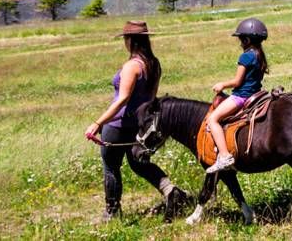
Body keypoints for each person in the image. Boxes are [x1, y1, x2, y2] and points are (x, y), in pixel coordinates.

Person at [84, 21, 187, 221]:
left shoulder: (132, 66)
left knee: (111, 166)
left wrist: (98, 123)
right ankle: (171, 191)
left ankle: (112, 211)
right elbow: (152, 97)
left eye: (125, 38)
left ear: (130, 40)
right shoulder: (154, 64)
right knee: (139, 164)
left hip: (118, 124)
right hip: (140, 124)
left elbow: (122, 99)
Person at [205, 18, 270, 174]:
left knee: (213, 119)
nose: (240, 43)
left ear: (247, 40)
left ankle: (224, 156)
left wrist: (222, 85)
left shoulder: (246, 56)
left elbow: (237, 81)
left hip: (241, 97)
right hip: (255, 94)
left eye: (241, 40)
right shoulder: (259, 54)